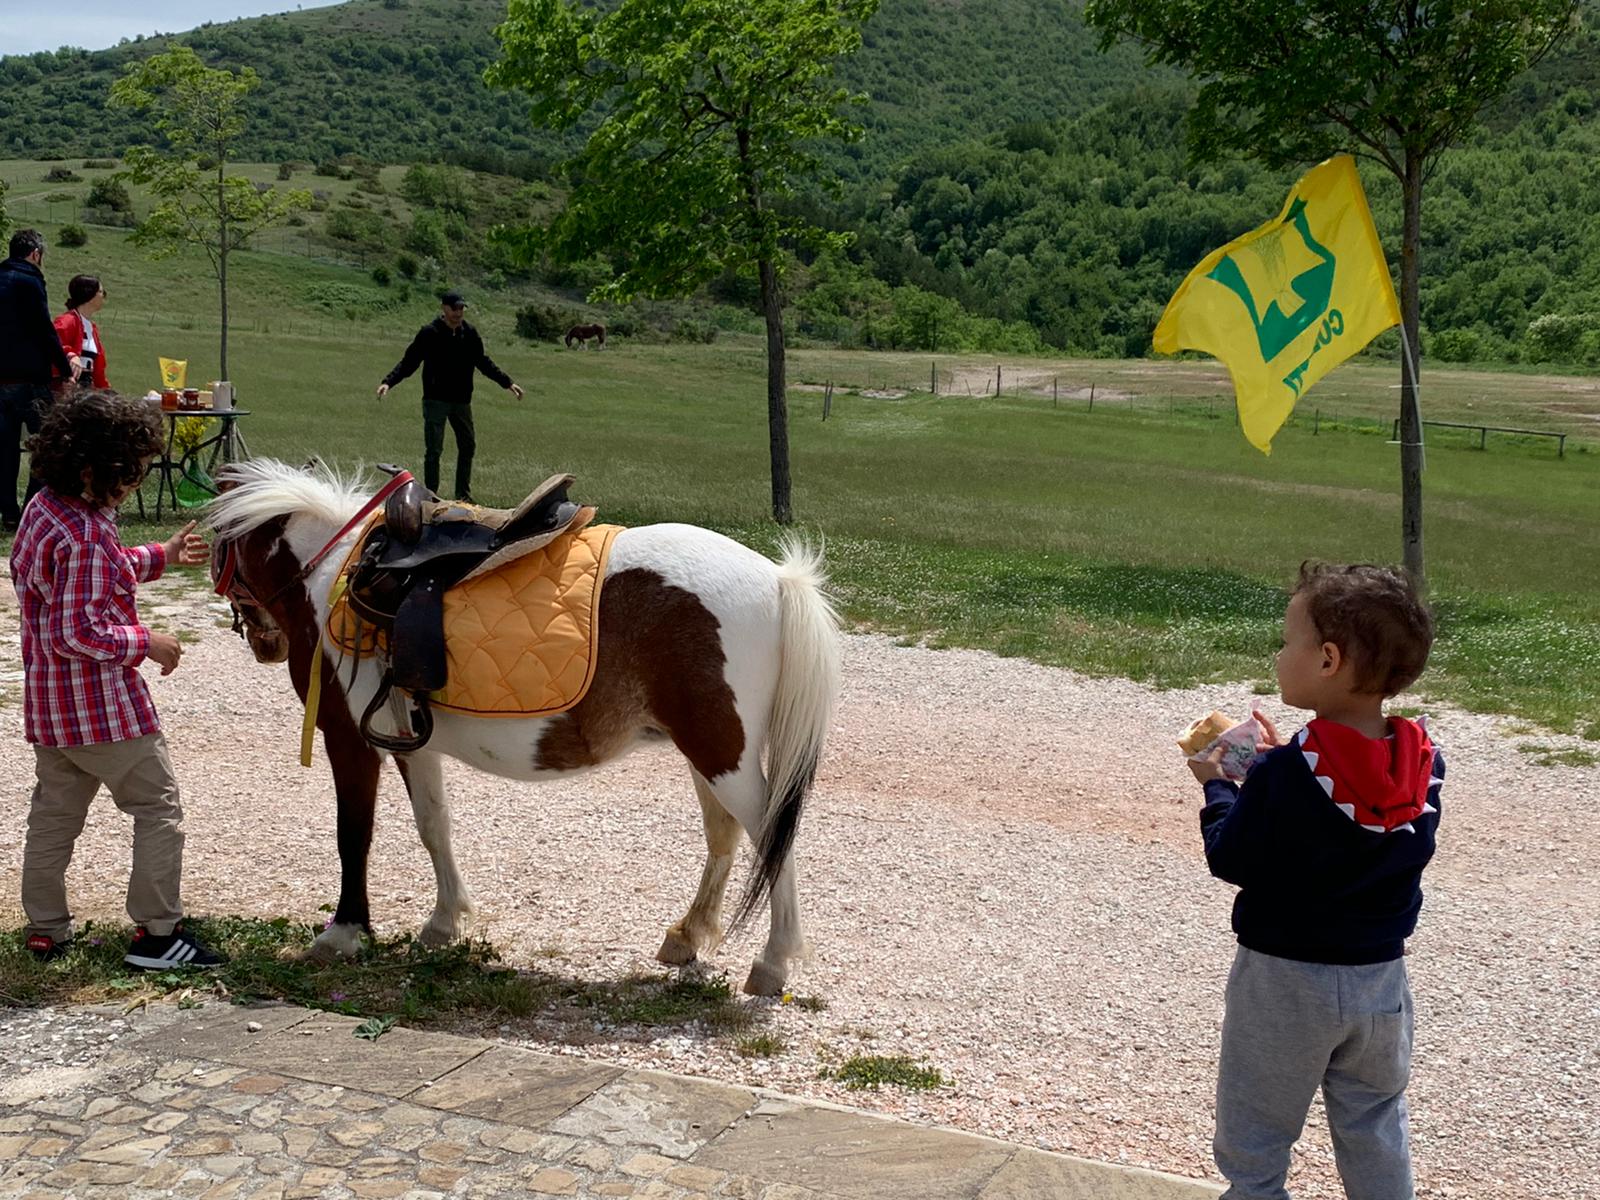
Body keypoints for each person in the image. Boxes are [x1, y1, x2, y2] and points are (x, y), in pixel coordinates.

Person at [1187, 562, 1440, 1200]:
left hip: (1285, 980)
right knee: (1374, 1119)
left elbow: (1232, 858)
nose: (1279, 654)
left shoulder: (1287, 776)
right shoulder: (1425, 764)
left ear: (1327, 659)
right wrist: (1278, 773)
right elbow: (1358, 825)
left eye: (1287, 640)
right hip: (1380, 980)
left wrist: (1221, 787)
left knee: (1257, 1135)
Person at [11, 388, 223, 970]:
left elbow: (97, 570)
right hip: (103, 711)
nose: (135, 482)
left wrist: (162, 554)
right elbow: (76, 631)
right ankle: (158, 935)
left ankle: (45, 929)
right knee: (158, 807)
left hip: (52, 711)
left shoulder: (46, 510)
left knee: (54, 818)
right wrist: (146, 642)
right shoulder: (87, 535)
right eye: (130, 473)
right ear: (92, 470)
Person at [376, 291, 525, 502]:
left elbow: (483, 362)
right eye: (454, 308)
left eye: (462, 308)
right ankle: (430, 496)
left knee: (468, 445)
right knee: (434, 449)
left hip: (461, 401)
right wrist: (388, 382)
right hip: (435, 400)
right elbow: (409, 362)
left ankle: (463, 495)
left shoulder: (470, 333)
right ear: (444, 309)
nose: (458, 312)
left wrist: (508, 383)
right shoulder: (429, 333)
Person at [0, 229, 77, 531]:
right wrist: (64, 367)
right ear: (35, 254)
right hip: (30, 380)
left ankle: (7, 510)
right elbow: (44, 329)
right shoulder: (30, 280)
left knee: (4, 449)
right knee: (47, 443)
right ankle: (34, 506)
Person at [54, 274, 111, 391]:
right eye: (101, 292)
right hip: (65, 390)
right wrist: (70, 354)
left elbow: (99, 370)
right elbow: (52, 344)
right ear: (90, 295)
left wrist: (106, 391)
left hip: (85, 389)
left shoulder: (91, 328)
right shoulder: (67, 321)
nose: (104, 297)